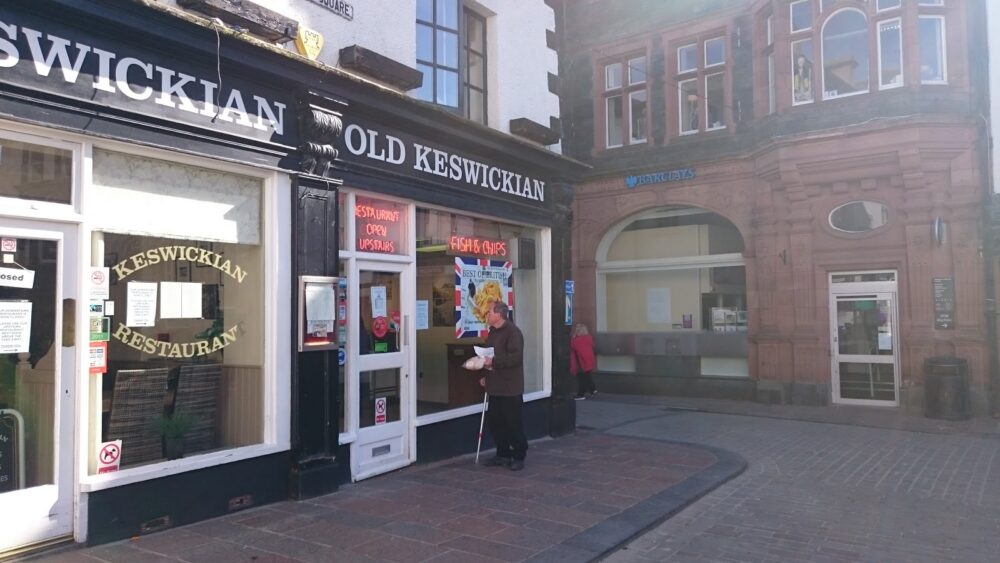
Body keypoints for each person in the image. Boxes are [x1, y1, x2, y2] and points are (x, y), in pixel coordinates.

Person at [479, 300, 528, 471]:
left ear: (499, 314)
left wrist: (494, 361)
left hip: (509, 387)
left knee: (513, 423)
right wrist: (486, 374)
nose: (488, 315)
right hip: (494, 385)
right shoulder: (493, 332)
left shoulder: (512, 332)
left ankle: (519, 455)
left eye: (490, 312)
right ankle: (502, 453)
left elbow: (515, 358)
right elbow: (490, 354)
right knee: (496, 422)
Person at [570, 323, 597, 400]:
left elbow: (571, 346)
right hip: (589, 360)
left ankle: (581, 395)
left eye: (576, 330)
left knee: (582, 378)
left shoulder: (576, 340)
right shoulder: (589, 338)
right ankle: (593, 390)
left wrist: (573, 337)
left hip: (581, 362)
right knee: (587, 376)